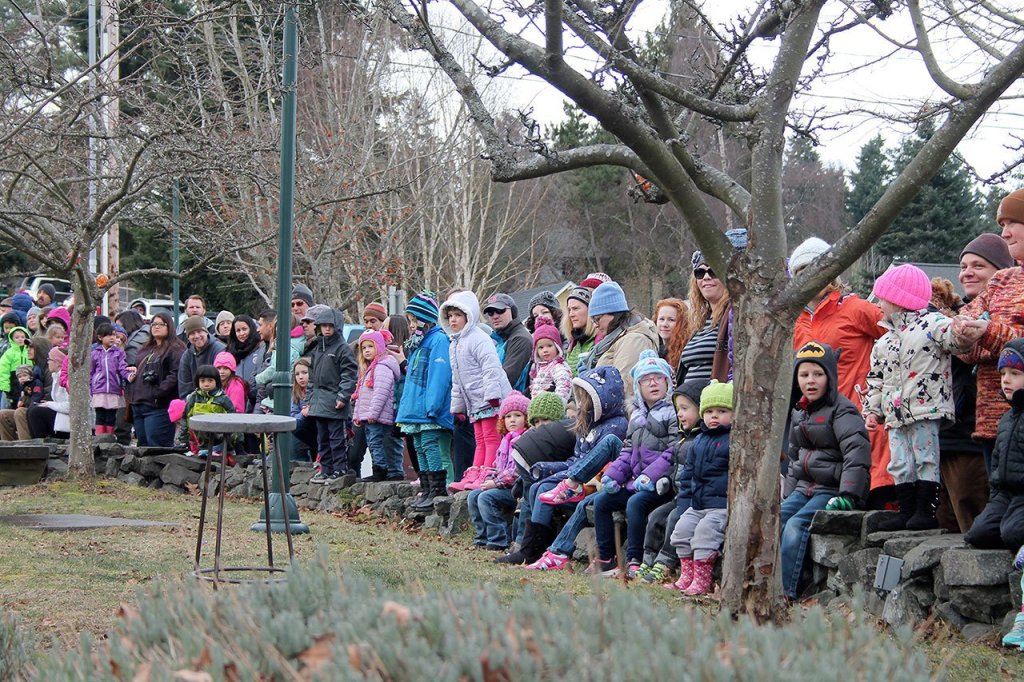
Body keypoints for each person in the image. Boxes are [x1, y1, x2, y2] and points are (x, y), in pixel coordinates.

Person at [526, 350, 679, 575]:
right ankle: (606, 558)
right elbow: (627, 451)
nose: (652, 383)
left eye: (658, 378)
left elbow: (673, 450)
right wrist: (612, 476)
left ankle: (634, 558)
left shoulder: (671, 413)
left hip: (657, 483)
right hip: (635, 479)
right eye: (646, 380)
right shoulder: (635, 417)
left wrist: (650, 477)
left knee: (635, 504)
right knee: (602, 501)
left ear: (667, 382)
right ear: (638, 387)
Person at [789, 236, 894, 509]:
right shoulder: (794, 321)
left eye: (818, 267)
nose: (812, 276)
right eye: (803, 271)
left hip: (861, 413)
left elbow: (898, 336)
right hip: (821, 422)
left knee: (874, 489)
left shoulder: (856, 308)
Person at [495, 365, 628, 566]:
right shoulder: (588, 424)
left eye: (586, 398)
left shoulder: (616, 425)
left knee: (543, 490)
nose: (582, 404)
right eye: (580, 398)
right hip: (577, 476)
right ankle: (529, 546)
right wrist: (547, 468)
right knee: (539, 485)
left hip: (595, 483)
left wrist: (568, 476)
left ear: (603, 399)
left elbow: (600, 463)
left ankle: (532, 550)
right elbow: (576, 459)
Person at [864, 265, 963, 531]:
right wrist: (873, 411)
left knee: (925, 457)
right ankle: (906, 511)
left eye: (882, 298)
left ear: (898, 299)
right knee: (900, 461)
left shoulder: (933, 324)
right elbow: (876, 379)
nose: (879, 305)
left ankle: (925, 512)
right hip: (895, 414)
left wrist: (965, 331)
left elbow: (955, 339)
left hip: (926, 407)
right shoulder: (884, 342)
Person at [779, 342, 871, 599]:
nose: (811, 381)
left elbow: (857, 452)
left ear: (830, 377)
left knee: (796, 525)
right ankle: (766, 584)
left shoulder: (842, 410)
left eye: (818, 374)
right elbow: (796, 457)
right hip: (803, 489)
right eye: (804, 375)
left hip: (829, 489)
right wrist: (789, 492)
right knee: (776, 519)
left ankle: (785, 593)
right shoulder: (799, 411)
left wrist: (849, 495)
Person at [956, 189, 1024, 476]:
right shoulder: (1001, 280)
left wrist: (987, 333)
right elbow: (963, 331)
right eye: (1002, 225)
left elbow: (982, 334)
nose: (1005, 234)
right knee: (999, 512)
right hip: (990, 424)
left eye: (1011, 223)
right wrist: (970, 336)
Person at [634, 378, 708, 584]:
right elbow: (674, 466)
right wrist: (666, 479)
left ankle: (666, 561)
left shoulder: (702, 440)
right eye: (678, 409)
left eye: (685, 408)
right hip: (679, 495)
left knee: (674, 519)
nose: (680, 414)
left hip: (695, 499)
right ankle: (648, 558)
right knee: (656, 517)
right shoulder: (684, 439)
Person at [667, 380, 733, 596]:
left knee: (705, 534)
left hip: (720, 505)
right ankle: (687, 575)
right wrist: (685, 506)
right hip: (698, 504)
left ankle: (702, 579)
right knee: (681, 530)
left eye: (722, 411)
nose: (714, 416)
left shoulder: (733, 440)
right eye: (709, 411)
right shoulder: (698, 441)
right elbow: (688, 476)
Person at [443, 291, 512, 492]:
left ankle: (488, 472)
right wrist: (458, 405)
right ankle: (474, 473)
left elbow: (491, 367)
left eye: (457, 315)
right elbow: (457, 378)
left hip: (491, 399)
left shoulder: (479, 338)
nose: (453, 320)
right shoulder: (454, 344)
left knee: (491, 438)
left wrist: (492, 395)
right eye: (450, 316)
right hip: (474, 402)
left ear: (468, 315)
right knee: (480, 439)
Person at [964, 339, 1024, 552]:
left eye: (1015, 374)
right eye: (1003, 374)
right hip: (1006, 495)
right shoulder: (1007, 418)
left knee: (1013, 532)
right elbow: (998, 466)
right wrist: (996, 500)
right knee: (978, 534)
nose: (1006, 380)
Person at [397, 292, 454, 510]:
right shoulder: (418, 344)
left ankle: (438, 489)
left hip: (428, 409)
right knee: (419, 447)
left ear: (425, 319)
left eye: (414, 320)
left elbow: (439, 377)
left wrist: (433, 406)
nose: (411, 325)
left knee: (430, 445)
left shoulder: (438, 340)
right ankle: (427, 488)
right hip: (415, 408)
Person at [467, 391, 530, 550]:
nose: (512, 420)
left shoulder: (525, 440)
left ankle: (499, 539)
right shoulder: (505, 441)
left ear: (526, 418)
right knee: (473, 496)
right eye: (508, 417)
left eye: (517, 415)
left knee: (486, 498)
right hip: (503, 486)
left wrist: (494, 483)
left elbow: (516, 472)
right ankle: (482, 536)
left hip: (517, 490)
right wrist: (488, 478)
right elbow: (497, 466)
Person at [581, 281, 659, 410]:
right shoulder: (617, 338)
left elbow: (623, 387)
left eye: (597, 318)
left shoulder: (633, 340)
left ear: (613, 313)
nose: (595, 324)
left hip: (622, 418)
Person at [307, 307, 358, 484]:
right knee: (322, 439)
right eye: (324, 326)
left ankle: (339, 469)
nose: (327, 329)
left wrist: (343, 396)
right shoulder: (318, 348)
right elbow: (312, 376)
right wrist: (309, 399)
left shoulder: (342, 349)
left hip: (335, 401)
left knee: (337, 438)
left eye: (330, 326)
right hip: (319, 401)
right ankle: (326, 469)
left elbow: (349, 374)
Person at [352, 330, 404, 482]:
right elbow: (360, 395)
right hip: (369, 416)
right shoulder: (367, 370)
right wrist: (357, 415)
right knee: (375, 442)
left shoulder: (381, 367)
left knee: (378, 443)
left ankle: (382, 470)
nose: (367, 350)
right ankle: (389, 470)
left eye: (370, 346)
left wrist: (372, 414)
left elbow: (381, 393)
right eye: (364, 348)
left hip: (377, 416)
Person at [127, 312, 184, 447]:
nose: (156, 327)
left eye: (161, 324)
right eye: (154, 324)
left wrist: (158, 392)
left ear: (169, 326)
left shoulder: (176, 348)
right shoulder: (145, 349)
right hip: (138, 404)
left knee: (158, 447)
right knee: (142, 447)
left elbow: (175, 374)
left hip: (158, 407)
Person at [676, 253, 731, 385]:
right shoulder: (700, 321)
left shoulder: (734, 316)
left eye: (713, 271)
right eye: (700, 272)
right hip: (690, 402)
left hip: (717, 400)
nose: (706, 277)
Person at [178, 364, 236, 457]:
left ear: (216, 381)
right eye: (202, 381)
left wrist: (237, 442)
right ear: (198, 382)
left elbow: (234, 419)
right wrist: (184, 440)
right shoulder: (193, 397)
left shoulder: (223, 398)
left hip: (221, 439)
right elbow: (185, 417)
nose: (206, 384)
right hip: (200, 441)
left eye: (210, 381)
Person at [90, 322, 135, 436]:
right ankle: (99, 438)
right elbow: (91, 372)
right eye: (108, 335)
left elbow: (122, 368)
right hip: (99, 390)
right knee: (100, 416)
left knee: (111, 417)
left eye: (114, 335)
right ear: (100, 337)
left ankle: (108, 438)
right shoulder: (95, 353)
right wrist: (91, 387)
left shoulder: (119, 353)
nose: (112, 338)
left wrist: (128, 376)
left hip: (114, 389)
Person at [483, 293, 533, 393]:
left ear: (513, 312)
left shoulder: (520, 339)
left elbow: (506, 380)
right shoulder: (500, 340)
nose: (495, 316)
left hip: (514, 405)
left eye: (500, 310)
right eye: (490, 313)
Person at [177, 315, 226, 399]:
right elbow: (184, 387)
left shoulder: (220, 350)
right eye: (192, 333)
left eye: (199, 331)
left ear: (206, 332)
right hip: (194, 402)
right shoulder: (186, 356)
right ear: (188, 337)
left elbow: (224, 381)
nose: (196, 336)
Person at [27, 346, 70, 439]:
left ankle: (42, 444)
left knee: (36, 412)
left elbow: (71, 407)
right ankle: (35, 442)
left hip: (69, 422)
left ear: (58, 363)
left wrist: (49, 404)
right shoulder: (55, 376)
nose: (48, 362)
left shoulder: (68, 379)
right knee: (31, 409)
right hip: (61, 416)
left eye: (50, 359)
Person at [527, 316, 572, 403]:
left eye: (549, 345)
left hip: (551, 408)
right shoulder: (539, 367)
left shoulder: (557, 366)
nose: (545, 350)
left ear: (557, 346)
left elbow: (564, 386)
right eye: (541, 347)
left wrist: (558, 403)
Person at [562, 286, 595, 377]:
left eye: (576, 309)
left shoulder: (599, 341)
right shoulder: (573, 344)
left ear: (590, 310)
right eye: (569, 310)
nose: (571, 314)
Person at [227, 314, 262, 393]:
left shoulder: (260, 347)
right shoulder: (230, 352)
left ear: (251, 328)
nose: (242, 333)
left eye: (244, 329)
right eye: (238, 330)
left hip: (255, 394)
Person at [0, 325, 30, 405]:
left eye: (22, 337)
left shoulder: (30, 351)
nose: (20, 339)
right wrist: (5, 387)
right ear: (12, 339)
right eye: (17, 337)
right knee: (14, 403)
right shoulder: (9, 353)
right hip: (14, 381)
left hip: (29, 380)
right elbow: (3, 370)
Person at [654, 298, 686, 371]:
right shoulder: (655, 349)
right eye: (661, 319)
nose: (664, 324)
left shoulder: (685, 352)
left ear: (683, 324)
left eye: (671, 320)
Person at [290, 357, 313, 461]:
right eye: (297, 374)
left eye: (304, 372)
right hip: (304, 427)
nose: (301, 377)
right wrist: (303, 414)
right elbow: (293, 415)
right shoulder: (296, 393)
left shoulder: (316, 390)